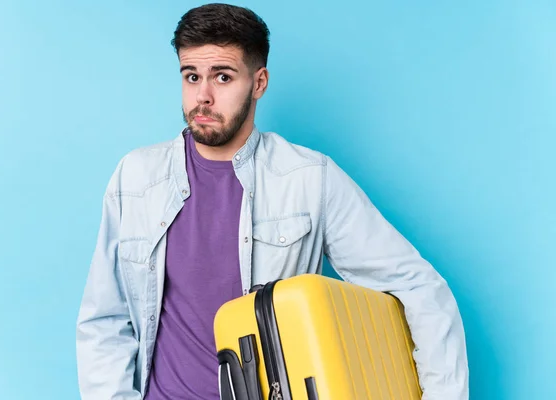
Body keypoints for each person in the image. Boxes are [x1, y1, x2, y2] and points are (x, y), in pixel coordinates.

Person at [76, 3, 468, 399]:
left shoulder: (309, 178)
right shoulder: (136, 177)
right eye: (191, 76)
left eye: (223, 77)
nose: (203, 96)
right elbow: (104, 319)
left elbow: (419, 289)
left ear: (259, 82)